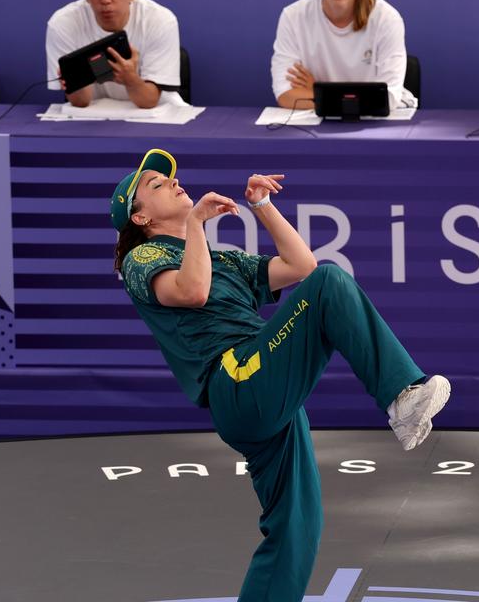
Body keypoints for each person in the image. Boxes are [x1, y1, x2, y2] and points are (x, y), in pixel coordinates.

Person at [111, 149, 450, 601]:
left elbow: (299, 267)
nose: (173, 183)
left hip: (265, 390)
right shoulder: (142, 257)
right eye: (156, 185)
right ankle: (401, 397)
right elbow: (191, 292)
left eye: (170, 178)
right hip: (237, 380)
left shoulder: (222, 259)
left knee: (297, 526)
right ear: (139, 217)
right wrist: (194, 224)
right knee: (330, 285)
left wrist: (261, 206)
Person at [271, 0, 416, 110]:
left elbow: (387, 98)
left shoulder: (387, 18)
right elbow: (286, 95)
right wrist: (342, 99)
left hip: (377, 123)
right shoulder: (293, 16)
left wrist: (318, 91)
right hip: (317, 124)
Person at [45, 0, 181, 108]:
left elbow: (149, 101)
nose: (105, 0)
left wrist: (131, 80)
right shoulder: (62, 24)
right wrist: (74, 82)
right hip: (93, 114)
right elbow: (80, 102)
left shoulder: (160, 20)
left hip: (155, 113)